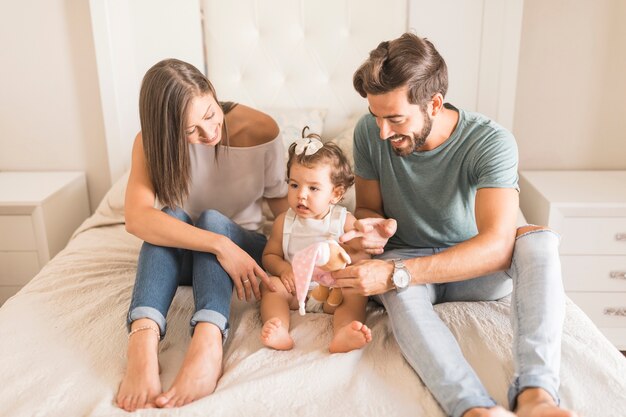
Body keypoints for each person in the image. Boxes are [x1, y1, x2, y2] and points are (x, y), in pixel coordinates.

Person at [333, 33, 579, 417]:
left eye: (395, 118)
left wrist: (397, 273)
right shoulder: (370, 132)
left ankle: (536, 395)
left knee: (538, 240)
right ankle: (473, 408)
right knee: (398, 286)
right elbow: (367, 208)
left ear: (433, 103)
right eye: (376, 116)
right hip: (409, 266)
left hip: (476, 267)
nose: (382, 132)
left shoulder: (490, 141)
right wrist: (371, 229)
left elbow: (497, 246)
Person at [116, 58, 288, 411]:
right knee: (170, 219)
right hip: (203, 252)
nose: (209, 134)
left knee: (211, 218)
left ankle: (208, 341)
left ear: (213, 92)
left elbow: (285, 211)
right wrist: (217, 245)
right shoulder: (149, 145)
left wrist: (303, 250)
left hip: (244, 252)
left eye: (210, 114)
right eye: (189, 130)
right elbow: (136, 218)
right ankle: (143, 345)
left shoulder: (260, 130)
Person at [259, 133, 371, 353]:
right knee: (270, 285)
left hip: (332, 293)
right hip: (296, 292)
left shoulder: (344, 221)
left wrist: (345, 263)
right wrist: (283, 270)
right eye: (294, 185)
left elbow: (364, 257)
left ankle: (343, 331)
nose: (301, 195)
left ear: (336, 194)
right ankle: (278, 327)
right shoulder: (284, 222)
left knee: (356, 292)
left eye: (313, 188)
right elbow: (269, 256)